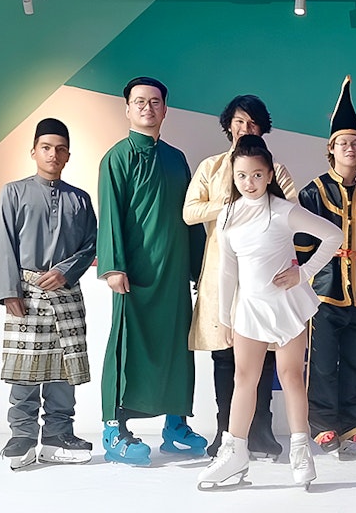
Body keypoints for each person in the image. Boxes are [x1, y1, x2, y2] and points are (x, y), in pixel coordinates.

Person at [196, 136, 343, 490]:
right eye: (242, 175)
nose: (249, 183)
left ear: (269, 174)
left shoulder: (283, 209)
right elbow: (227, 269)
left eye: (257, 175)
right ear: (234, 175)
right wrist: (226, 317)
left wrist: (303, 273)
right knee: (243, 380)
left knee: (291, 377)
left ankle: (300, 450)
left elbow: (333, 235)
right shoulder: (228, 214)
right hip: (248, 308)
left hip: (287, 305)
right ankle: (234, 454)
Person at [97, 76, 206, 466]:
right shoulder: (117, 157)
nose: (147, 107)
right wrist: (113, 267)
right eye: (139, 101)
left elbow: (191, 217)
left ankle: (176, 427)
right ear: (127, 109)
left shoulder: (177, 159)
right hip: (135, 277)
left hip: (175, 275)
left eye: (155, 101)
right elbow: (109, 215)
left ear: (165, 109)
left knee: (178, 348)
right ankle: (114, 429)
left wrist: (200, 268)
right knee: (128, 349)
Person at [185, 95, 296, 460]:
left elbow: (292, 213)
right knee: (224, 356)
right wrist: (232, 205)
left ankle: (261, 431)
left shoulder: (275, 171)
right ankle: (225, 433)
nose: (244, 129)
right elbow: (189, 212)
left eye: (252, 123)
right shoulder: (211, 167)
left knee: (261, 356)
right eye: (238, 122)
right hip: (221, 273)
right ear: (227, 125)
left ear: (263, 129)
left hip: (263, 277)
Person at [0, 118, 96, 469]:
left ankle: (58, 435)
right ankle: (21, 436)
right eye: (46, 147)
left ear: (68, 155)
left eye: (60, 148)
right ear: (34, 151)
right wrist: (10, 291)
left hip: (65, 292)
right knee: (24, 368)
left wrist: (65, 272)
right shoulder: (13, 192)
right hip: (25, 292)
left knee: (64, 369)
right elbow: (5, 244)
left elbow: (90, 246)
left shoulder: (80, 199)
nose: (54, 154)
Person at [297, 76, 356, 455]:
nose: (350, 148)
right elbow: (302, 246)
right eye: (342, 143)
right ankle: (322, 426)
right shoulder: (311, 191)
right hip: (324, 289)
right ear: (330, 150)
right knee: (321, 362)